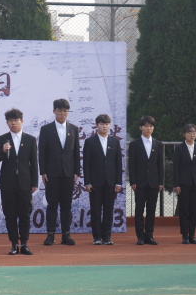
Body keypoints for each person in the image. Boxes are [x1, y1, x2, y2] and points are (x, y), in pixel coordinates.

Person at [0, 108, 38, 255]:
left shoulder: (30, 139)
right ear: (7, 123)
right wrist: (3, 150)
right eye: (10, 121)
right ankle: (14, 244)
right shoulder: (2, 139)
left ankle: (24, 243)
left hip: (25, 183)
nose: (13, 123)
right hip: (7, 183)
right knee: (10, 215)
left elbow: (34, 162)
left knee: (25, 214)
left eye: (16, 120)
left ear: (22, 121)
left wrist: (34, 182)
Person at [38, 98, 80, 246]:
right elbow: (42, 152)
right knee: (52, 205)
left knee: (66, 205)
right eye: (60, 110)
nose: (63, 113)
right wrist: (43, 171)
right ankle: (50, 234)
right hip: (52, 173)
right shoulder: (46, 129)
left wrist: (76, 172)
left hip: (68, 173)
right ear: (54, 111)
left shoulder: (73, 129)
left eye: (65, 111)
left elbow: (76, 152)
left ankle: (65, 234)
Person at [83, 114, 122, 245]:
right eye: (101, 124)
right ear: (97, 125)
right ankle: (97, 237)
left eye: (106, 124)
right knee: (95, 210)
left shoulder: (115, 142)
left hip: (110, 182)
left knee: (108, 210)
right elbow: (86, 164)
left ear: (109, 125)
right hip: (95, 182)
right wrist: (87, 182)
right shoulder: (90, 142)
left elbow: (118, 164)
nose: (104, 126)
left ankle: (107, 237)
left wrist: (118, 182)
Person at [128, 115, 164, 245]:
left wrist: (161, 182)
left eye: (151, 126)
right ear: (140, 127)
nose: (148, 128)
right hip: (139, 182)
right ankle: (140, 236)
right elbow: (131, 165)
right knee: (139, 210)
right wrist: (133, 181)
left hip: (154, 182)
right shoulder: (134, 144)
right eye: (146, 126)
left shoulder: (158, 144)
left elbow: (160, 165)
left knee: (151, 210)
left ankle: (149, 236)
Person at [173, 124, 196, 244]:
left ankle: (192, 235)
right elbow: (176, 167)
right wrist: (176, 184)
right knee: (184, 211)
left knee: (193, 210)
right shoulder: (179, 148)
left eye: (194, 132)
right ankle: (185, 236)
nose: (192, 135)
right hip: (183, 183)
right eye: (189, 132)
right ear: (184, 134)